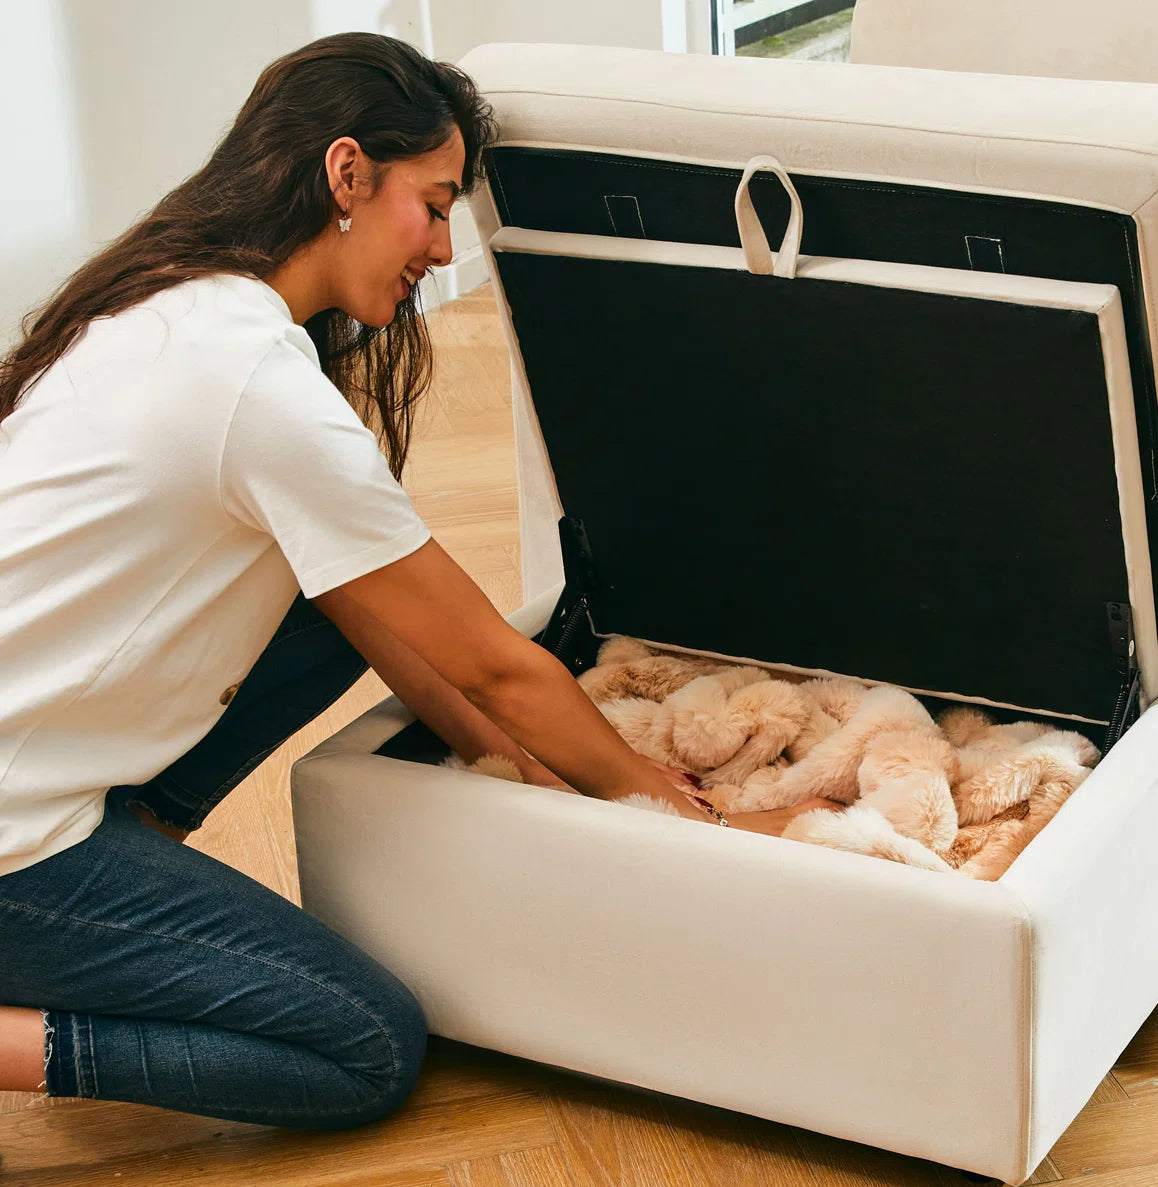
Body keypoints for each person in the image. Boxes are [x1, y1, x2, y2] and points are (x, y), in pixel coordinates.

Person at [0, 32, 824, 1129]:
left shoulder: (176, 306)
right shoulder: (253, 387)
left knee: (340, 605)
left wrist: (538, 785)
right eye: (433, 206)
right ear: (346, 174)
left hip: (34, 772)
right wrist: (684, 817)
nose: (443, 247)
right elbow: (492, 666)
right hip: (14, 840)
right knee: (366, 1046)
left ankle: (132, 862)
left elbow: (424, 649)